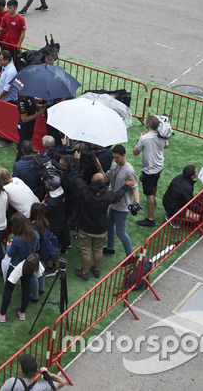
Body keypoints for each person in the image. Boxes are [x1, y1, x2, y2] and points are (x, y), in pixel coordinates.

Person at [67, 151, 135, 280]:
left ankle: (84, 272)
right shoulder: (107, 196)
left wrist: (76, 161)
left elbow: (76, 177)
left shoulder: (85, 191)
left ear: (92, 181)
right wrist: (127, 185)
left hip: (85, 227)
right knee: (98, 250)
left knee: (86, 251)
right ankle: (97, 270)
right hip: (100, 228)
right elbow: (118, 196)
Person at [0, 213, 37, 323]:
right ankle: (22, 313)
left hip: (15, 267)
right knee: (26, 289)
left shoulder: (17, 240)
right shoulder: (34, 234)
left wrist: (9, 245)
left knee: (8, 290)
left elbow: (9, 254)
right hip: (28, 266)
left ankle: (2, 314)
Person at [102, 145, 140, 257]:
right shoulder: (115, 166)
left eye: (117, 157)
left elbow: (135, 188)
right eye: (114, 157)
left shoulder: (129, 171)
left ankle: (130, 256)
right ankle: (110, 248)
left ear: (124, 155)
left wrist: (137, 203)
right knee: (109, 226)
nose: (115, 159)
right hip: (113, 204)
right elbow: (106, 177)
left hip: (123, 207)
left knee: (121, 232)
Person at [134, 115, 169, 227]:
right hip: (159, 166)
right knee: (155, 183)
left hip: (149, 169)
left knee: (149, 194)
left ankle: (150, 219)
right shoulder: (162, 136)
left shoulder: (144, 138)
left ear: (147, 125)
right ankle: (153, 202)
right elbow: (166, 146)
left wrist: (139, 139)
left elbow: (135, 152)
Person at [0, 354, 66, 391]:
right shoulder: (43, 387)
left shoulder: (12, 382)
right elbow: (62, 382)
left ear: (21, 371)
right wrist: (47, 374)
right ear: (37, 370)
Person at [0, 0, 26, 64]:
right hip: (5, 43)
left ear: (15, 8)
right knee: (5, 62)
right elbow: (2, 29)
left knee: (17, 63)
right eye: (8, 8)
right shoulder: (6, 16)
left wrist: (19, 44)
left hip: (14, 45)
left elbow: (23, 33)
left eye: (10, 8)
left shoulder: (20, 19)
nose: (8, 10)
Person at [16, 96, 46, 161]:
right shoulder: (22, 101)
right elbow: (24, 119)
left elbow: (35, 107)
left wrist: (45, 106)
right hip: (24, 128)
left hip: (30, 126)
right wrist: (38, 114)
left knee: (27, 144)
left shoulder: (31, 96)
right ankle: (18, 163)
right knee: (23, 148)